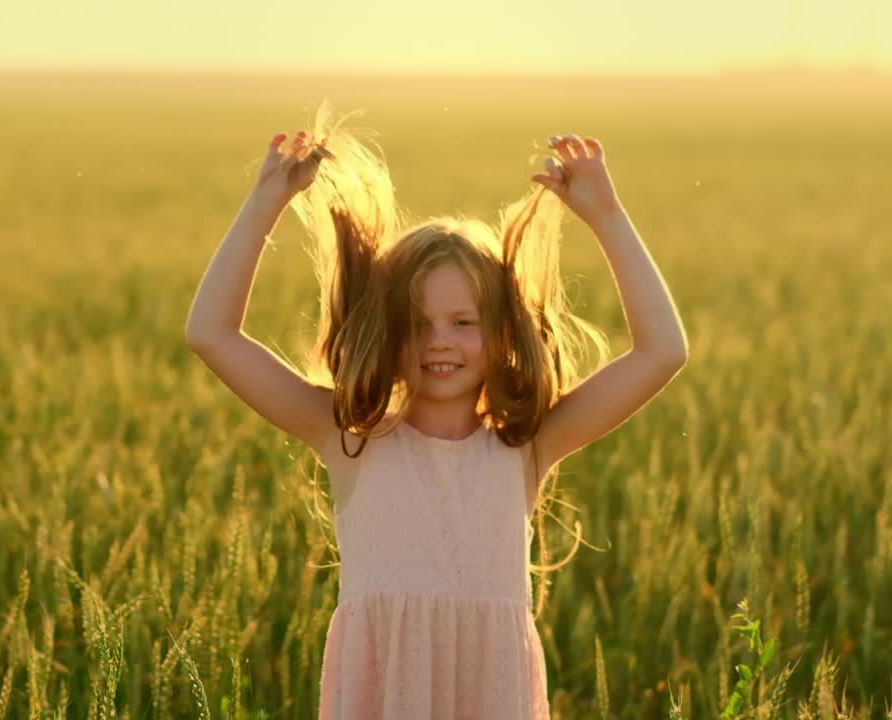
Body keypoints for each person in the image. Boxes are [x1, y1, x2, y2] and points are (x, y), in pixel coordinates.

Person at [184, 103, 688, 719]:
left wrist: (606, 217)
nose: (439, 342)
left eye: (463, 322)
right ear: (384, 332)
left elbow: (663, 351)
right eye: (416, 325)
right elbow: (211, 334)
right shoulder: (349, 439)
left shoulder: (525, 447)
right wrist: (266, 201)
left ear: (503, 333)